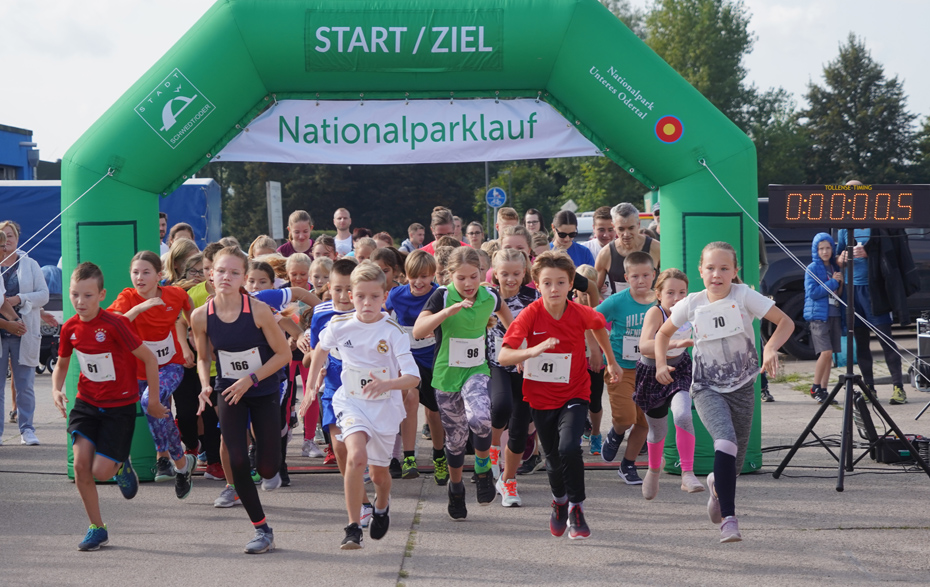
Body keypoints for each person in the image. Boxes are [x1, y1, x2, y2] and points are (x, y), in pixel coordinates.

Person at [655, 241, 792, 543]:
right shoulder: (691, 302)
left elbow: (785, 322)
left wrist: (770, 347)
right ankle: (729, 520)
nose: (717, 274)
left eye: (724, 268)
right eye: (711, 268)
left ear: (735, 271)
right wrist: (661, 363)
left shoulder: (744, 296)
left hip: (743, 388)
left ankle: (717, 484)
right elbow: (662, 334)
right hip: (706, 387)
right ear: (701, 271)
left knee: (735, 464)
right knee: (725, 441)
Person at [498, 251, 621, 539]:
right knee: (552, 457)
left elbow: (599, 324)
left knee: (569, 449)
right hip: (540, 397)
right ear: (537, 285)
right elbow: (504, 355)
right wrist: (531, 351)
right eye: (548, 283)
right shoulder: (530, 314)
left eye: (561, 283)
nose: (554, 289)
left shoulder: (578, 312)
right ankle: (559, 501)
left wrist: (610, 359)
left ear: (570, 285)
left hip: (575, 391)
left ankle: (577, 507)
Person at [52, 262, 167, 551]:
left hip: (120, 406)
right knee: (80, 466)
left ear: (102, 295)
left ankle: (119, 465)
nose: (81, 302)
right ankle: (97, 527)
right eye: (75, 295)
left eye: (88, 295)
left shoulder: (115, 324)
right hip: (87, 404)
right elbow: (63, 362)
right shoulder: (70, 328)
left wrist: (152, 400)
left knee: (101, 472)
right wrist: (56, 388)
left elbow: (150, 359)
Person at [304, 262, 420, 549]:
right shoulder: (339, 324)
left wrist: (388, 384)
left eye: (374, 297)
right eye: (360, 296)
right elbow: (321, 348)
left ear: (385, 296)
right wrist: (310, 387)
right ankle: (353, 526)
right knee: (355, 457)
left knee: (380, 476)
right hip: (352, 401)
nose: (366, 303)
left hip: (384, 408)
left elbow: (413, 377)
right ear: (350, 295)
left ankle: (381, 506)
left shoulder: (393, 331)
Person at [192, 246, 291, 554]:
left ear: (244, 278)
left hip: (262, 391)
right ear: (211, 274)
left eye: (234, 272)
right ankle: (262, 529)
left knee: (267, 468)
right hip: (229, 391)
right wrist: (206, 384)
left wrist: (251, 379)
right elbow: (202, 357)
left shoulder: (258, 311)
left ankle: (265, 449)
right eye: (221, 271)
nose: (226, 277)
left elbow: (284, 354)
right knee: (236, 461)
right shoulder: (200, 317)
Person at [413, 247, 513, 519]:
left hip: (476, 370)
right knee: (456, 441)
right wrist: (448, 311)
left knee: (481, 418)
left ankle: (482, 468)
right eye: (461, 278)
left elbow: (506, 315)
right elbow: (419, 331)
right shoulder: (442, 296)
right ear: (449, 276)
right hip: (446, 377)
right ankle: (456, 488)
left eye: (473, 276)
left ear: (481, 273)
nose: (468, 284)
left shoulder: (489, 295)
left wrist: (513, 343)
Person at [108, 251, 197, 496]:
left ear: (159, 275)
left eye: (146, 272)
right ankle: (178, 462)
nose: (140, 277)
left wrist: (192, 335)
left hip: (171, 365)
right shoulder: (127, 297)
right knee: (156, 411)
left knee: (151, 402)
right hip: (139, 370)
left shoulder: (175, 295)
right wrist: (141, 307)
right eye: (135, 272)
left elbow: (190, 311)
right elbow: (115, 325)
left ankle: (169, 459)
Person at [837, 179, 913, 405]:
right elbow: (838, 257)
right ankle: (869, 388)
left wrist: (868, 253)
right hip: (852, 291)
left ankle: (899, 387)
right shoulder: (843, 226)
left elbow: (888, 254)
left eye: (857, 192)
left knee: (885, 340)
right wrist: (844, 258)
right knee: (860, 342)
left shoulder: (875, 221)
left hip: (874, 289)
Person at [635, 268, 704, 499]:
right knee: (658, 430)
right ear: (659, 294)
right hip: (651, 372)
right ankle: (653, 471)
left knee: (683, 415)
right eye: (671, 293)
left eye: (682, 292)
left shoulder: (689, 310)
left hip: (680, 369)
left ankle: (687, 473)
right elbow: (644, 346)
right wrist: (674, 344)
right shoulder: (655, 313)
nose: (677, 298)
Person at [385, 251, 448, 485]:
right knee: (409, 400)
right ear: (405, 275)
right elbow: (386, 319)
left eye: (424, 276)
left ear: (433, 275)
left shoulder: (440, 294)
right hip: (407, 356)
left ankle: (439, 454)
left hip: (432, 355)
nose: (419, 282)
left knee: (433, 410)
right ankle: (409, 458)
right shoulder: (396, 295)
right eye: (414, 277)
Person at [595, 251, 655, 485]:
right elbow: (593, 320)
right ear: (626, 278)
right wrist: (601, 351)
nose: (641, 281)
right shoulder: (617, 301)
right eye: (635, 276)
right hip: (621, 367)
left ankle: (627, 465)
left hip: (650, 368)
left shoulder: (660, 301)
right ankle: (616, 433)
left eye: (646, 275)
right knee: (626, 417)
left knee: (644, 421)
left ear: (654, 275)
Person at [486, 248, 537, 506]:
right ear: (495, 273)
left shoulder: (533, 296)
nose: (510, 279)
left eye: (516, 273)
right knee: (501, 406)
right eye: (504, 274)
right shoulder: (487, 296)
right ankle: (493, 449)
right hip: (495, 364)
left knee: (520, 426)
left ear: (524, 272)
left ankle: (508, 480)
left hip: (524, 365)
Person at [0, 220, 49, 446]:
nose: (7, 240)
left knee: (25, 384)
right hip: (3, 331)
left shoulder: (30, 264)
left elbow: (43, 295)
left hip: (24, 331)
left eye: (10, 235)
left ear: (18, 238)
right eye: (3, 236)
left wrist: (20, 299)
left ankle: (27, 429)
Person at [804, 233, 843, 404]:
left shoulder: (835, 268)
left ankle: (824, 390)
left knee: (830, 355)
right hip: (819, 316)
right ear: (816, 250)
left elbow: (838, 295)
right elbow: (812, 293)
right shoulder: (812, 268)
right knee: (825, 352)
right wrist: (833, 283)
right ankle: (815, 386)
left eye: (828, 248)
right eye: (821, 248)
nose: (825, 251)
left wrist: (840, 284)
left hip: (834, 313)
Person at [595, 203, 661, 295]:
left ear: (638, 224)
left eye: (631, 228)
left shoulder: (656, 248)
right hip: (619, 308)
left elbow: (670, 282)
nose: (626, 234)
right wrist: (606, 306)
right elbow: (594, 291)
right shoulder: (605, 254)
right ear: (614, 227)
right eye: (621, 229)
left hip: (651, 306)